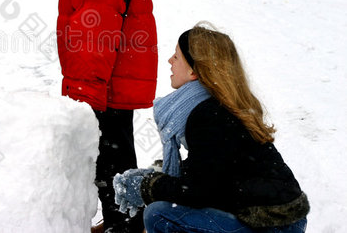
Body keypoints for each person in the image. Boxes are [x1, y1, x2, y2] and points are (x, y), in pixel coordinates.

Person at [113, 24, 309, 232]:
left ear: (194, 71)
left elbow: (198, 191)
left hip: (272, 224)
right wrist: (155, 176)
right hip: (277, 220)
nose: (170, 61)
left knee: (160, 214)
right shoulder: (216, 106)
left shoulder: (210, 115)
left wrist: (149, 187)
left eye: (177, 56)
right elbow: (209, 170)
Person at [56, 0, 164, 233]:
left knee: (108, 160)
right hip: (115, 72)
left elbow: (95, 24)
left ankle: (124, 224)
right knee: (117, 152)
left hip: (106, 76)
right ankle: (126, 220)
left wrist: (86, 89)